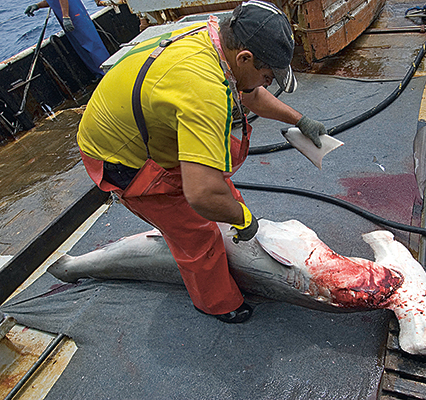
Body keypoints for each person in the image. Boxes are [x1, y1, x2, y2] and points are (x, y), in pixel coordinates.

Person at [76, 0, 327, 323]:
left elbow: (248, 90)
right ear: (244, 57)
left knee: (220, 202)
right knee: (197, 233)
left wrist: (300, 119)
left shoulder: (215, 38)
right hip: (122, 158)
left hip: (144, 128)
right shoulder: (204, 91)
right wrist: (242, 218)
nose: (268, 83)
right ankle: (218, 302)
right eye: (268, 76)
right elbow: (201, 195)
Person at [25, 0, 110, 76]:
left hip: (74, 15)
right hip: (67, 17)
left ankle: (108, 71)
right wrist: (37, 6)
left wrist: (66, 17)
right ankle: (99, 74)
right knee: (81, 48)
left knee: (91, 43)